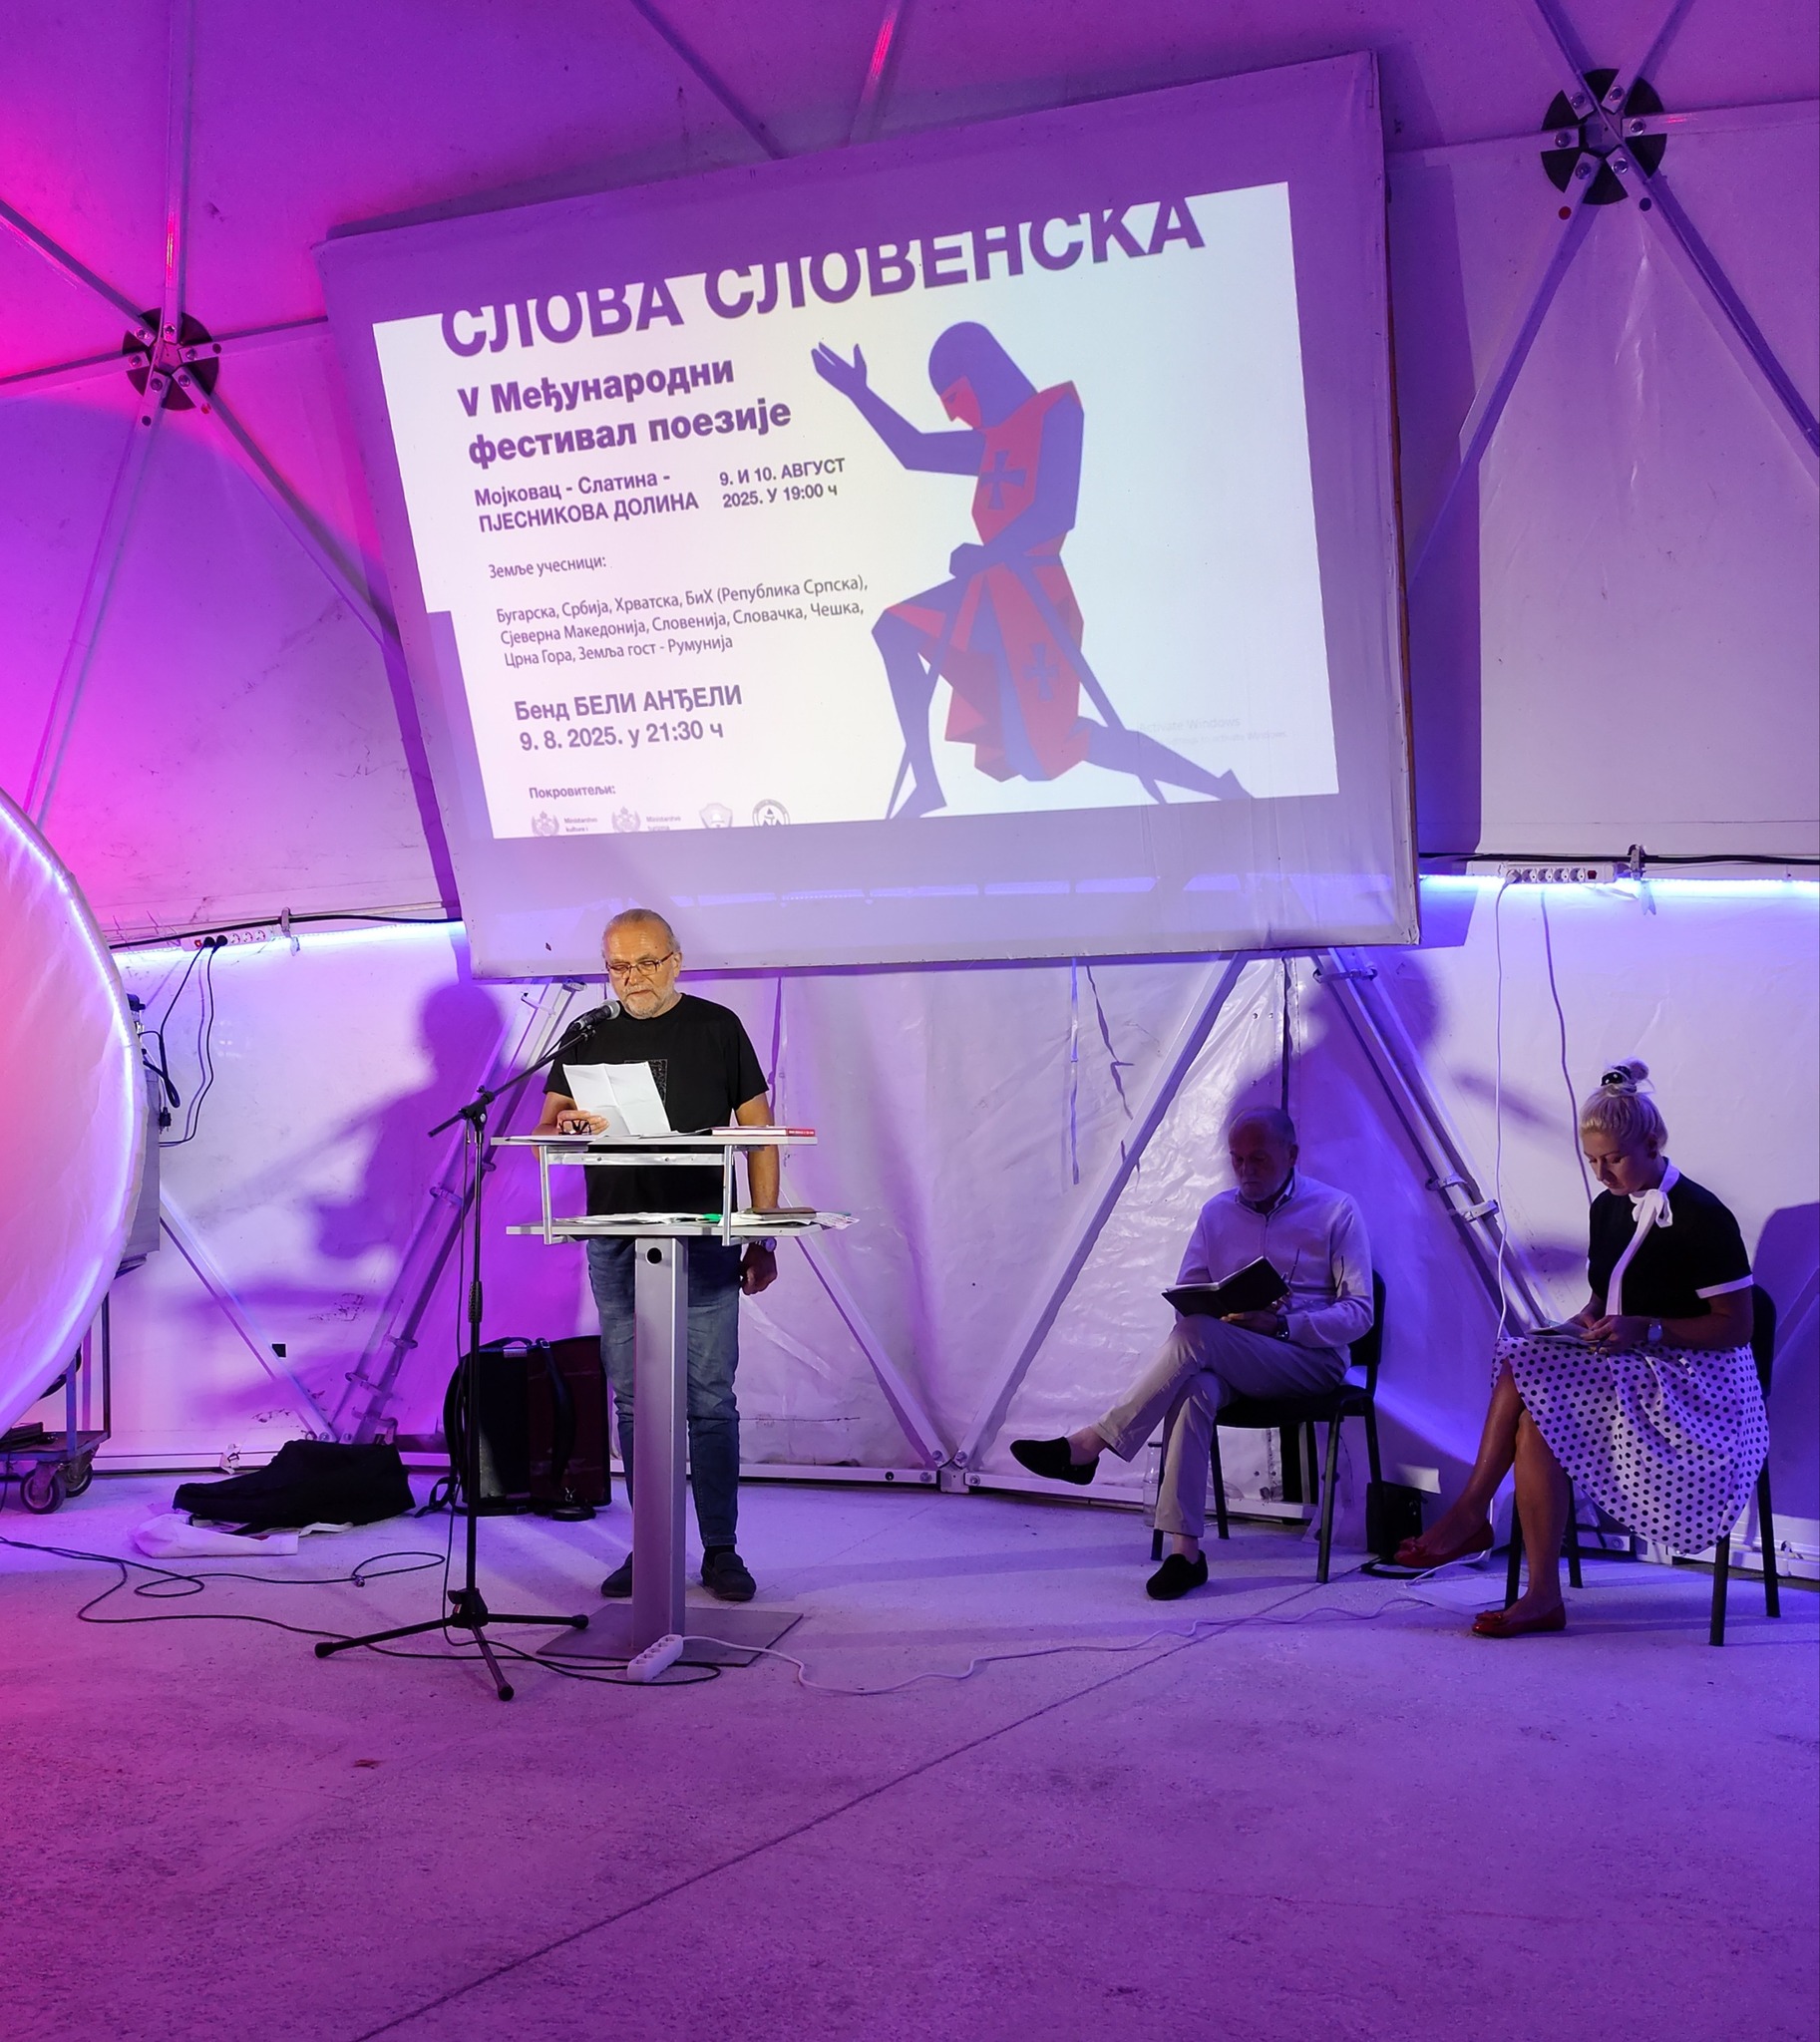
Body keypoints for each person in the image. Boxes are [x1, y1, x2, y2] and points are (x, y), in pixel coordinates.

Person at [810, 322, 1247, 818]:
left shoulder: (1057, 413)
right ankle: (927, 785)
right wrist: (859, 394)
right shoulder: (994, 442)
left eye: (954, 396)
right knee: (895, 629)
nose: (952, 413)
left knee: (1050, 750)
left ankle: (1215, 785)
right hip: (990, 593)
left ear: (982, 375)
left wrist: (987, 555)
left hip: (1036, 599)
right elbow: (915, 451)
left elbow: (1054, 511)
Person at [1395, 1061, 1768, 1638]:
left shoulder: (1704, 1215)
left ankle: (1473, 1516)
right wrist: (1571, 1329)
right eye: (1592, 1161)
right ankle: (1540, 1595)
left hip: (1698, 1386)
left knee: (1523, 1376)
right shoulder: (1607, 1206)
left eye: (1613, 1159)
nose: (1601, 1173)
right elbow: (1602, 1301)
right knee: (1535, 1403)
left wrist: (1648, 1330)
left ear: (1653, 1144)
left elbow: (1737, 1327)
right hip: (1636, 1365)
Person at [1011, 1108, 1373, 1598]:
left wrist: (1283, 1324)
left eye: (1259, 1159)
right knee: (1195, 1385)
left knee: (1198, 1337)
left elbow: (1360, 1313)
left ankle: (1090, 1445)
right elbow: (1190, 1293)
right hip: (1233, 1351)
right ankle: (1186, 1554)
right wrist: (1219, 1310)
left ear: (1292, 1155)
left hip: (1309, 1360)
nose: (1246, 1171)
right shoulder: (1217, 1213)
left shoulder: (1336, 1210)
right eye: (1237, 1159)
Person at [534, 908, 778, 1603]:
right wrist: (569, 1123)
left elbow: (759, 1132)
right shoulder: (587, 1032)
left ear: (675, 961)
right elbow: (547, 1125)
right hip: (615, 1237)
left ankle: (721, 1549)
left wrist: (760, 1235)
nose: (632, 978)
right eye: (618, 966)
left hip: (701, 1236)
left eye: (645, 962)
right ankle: (652, 1547)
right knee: (635, 1398)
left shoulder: (717, 1026)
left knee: (709, 1398)